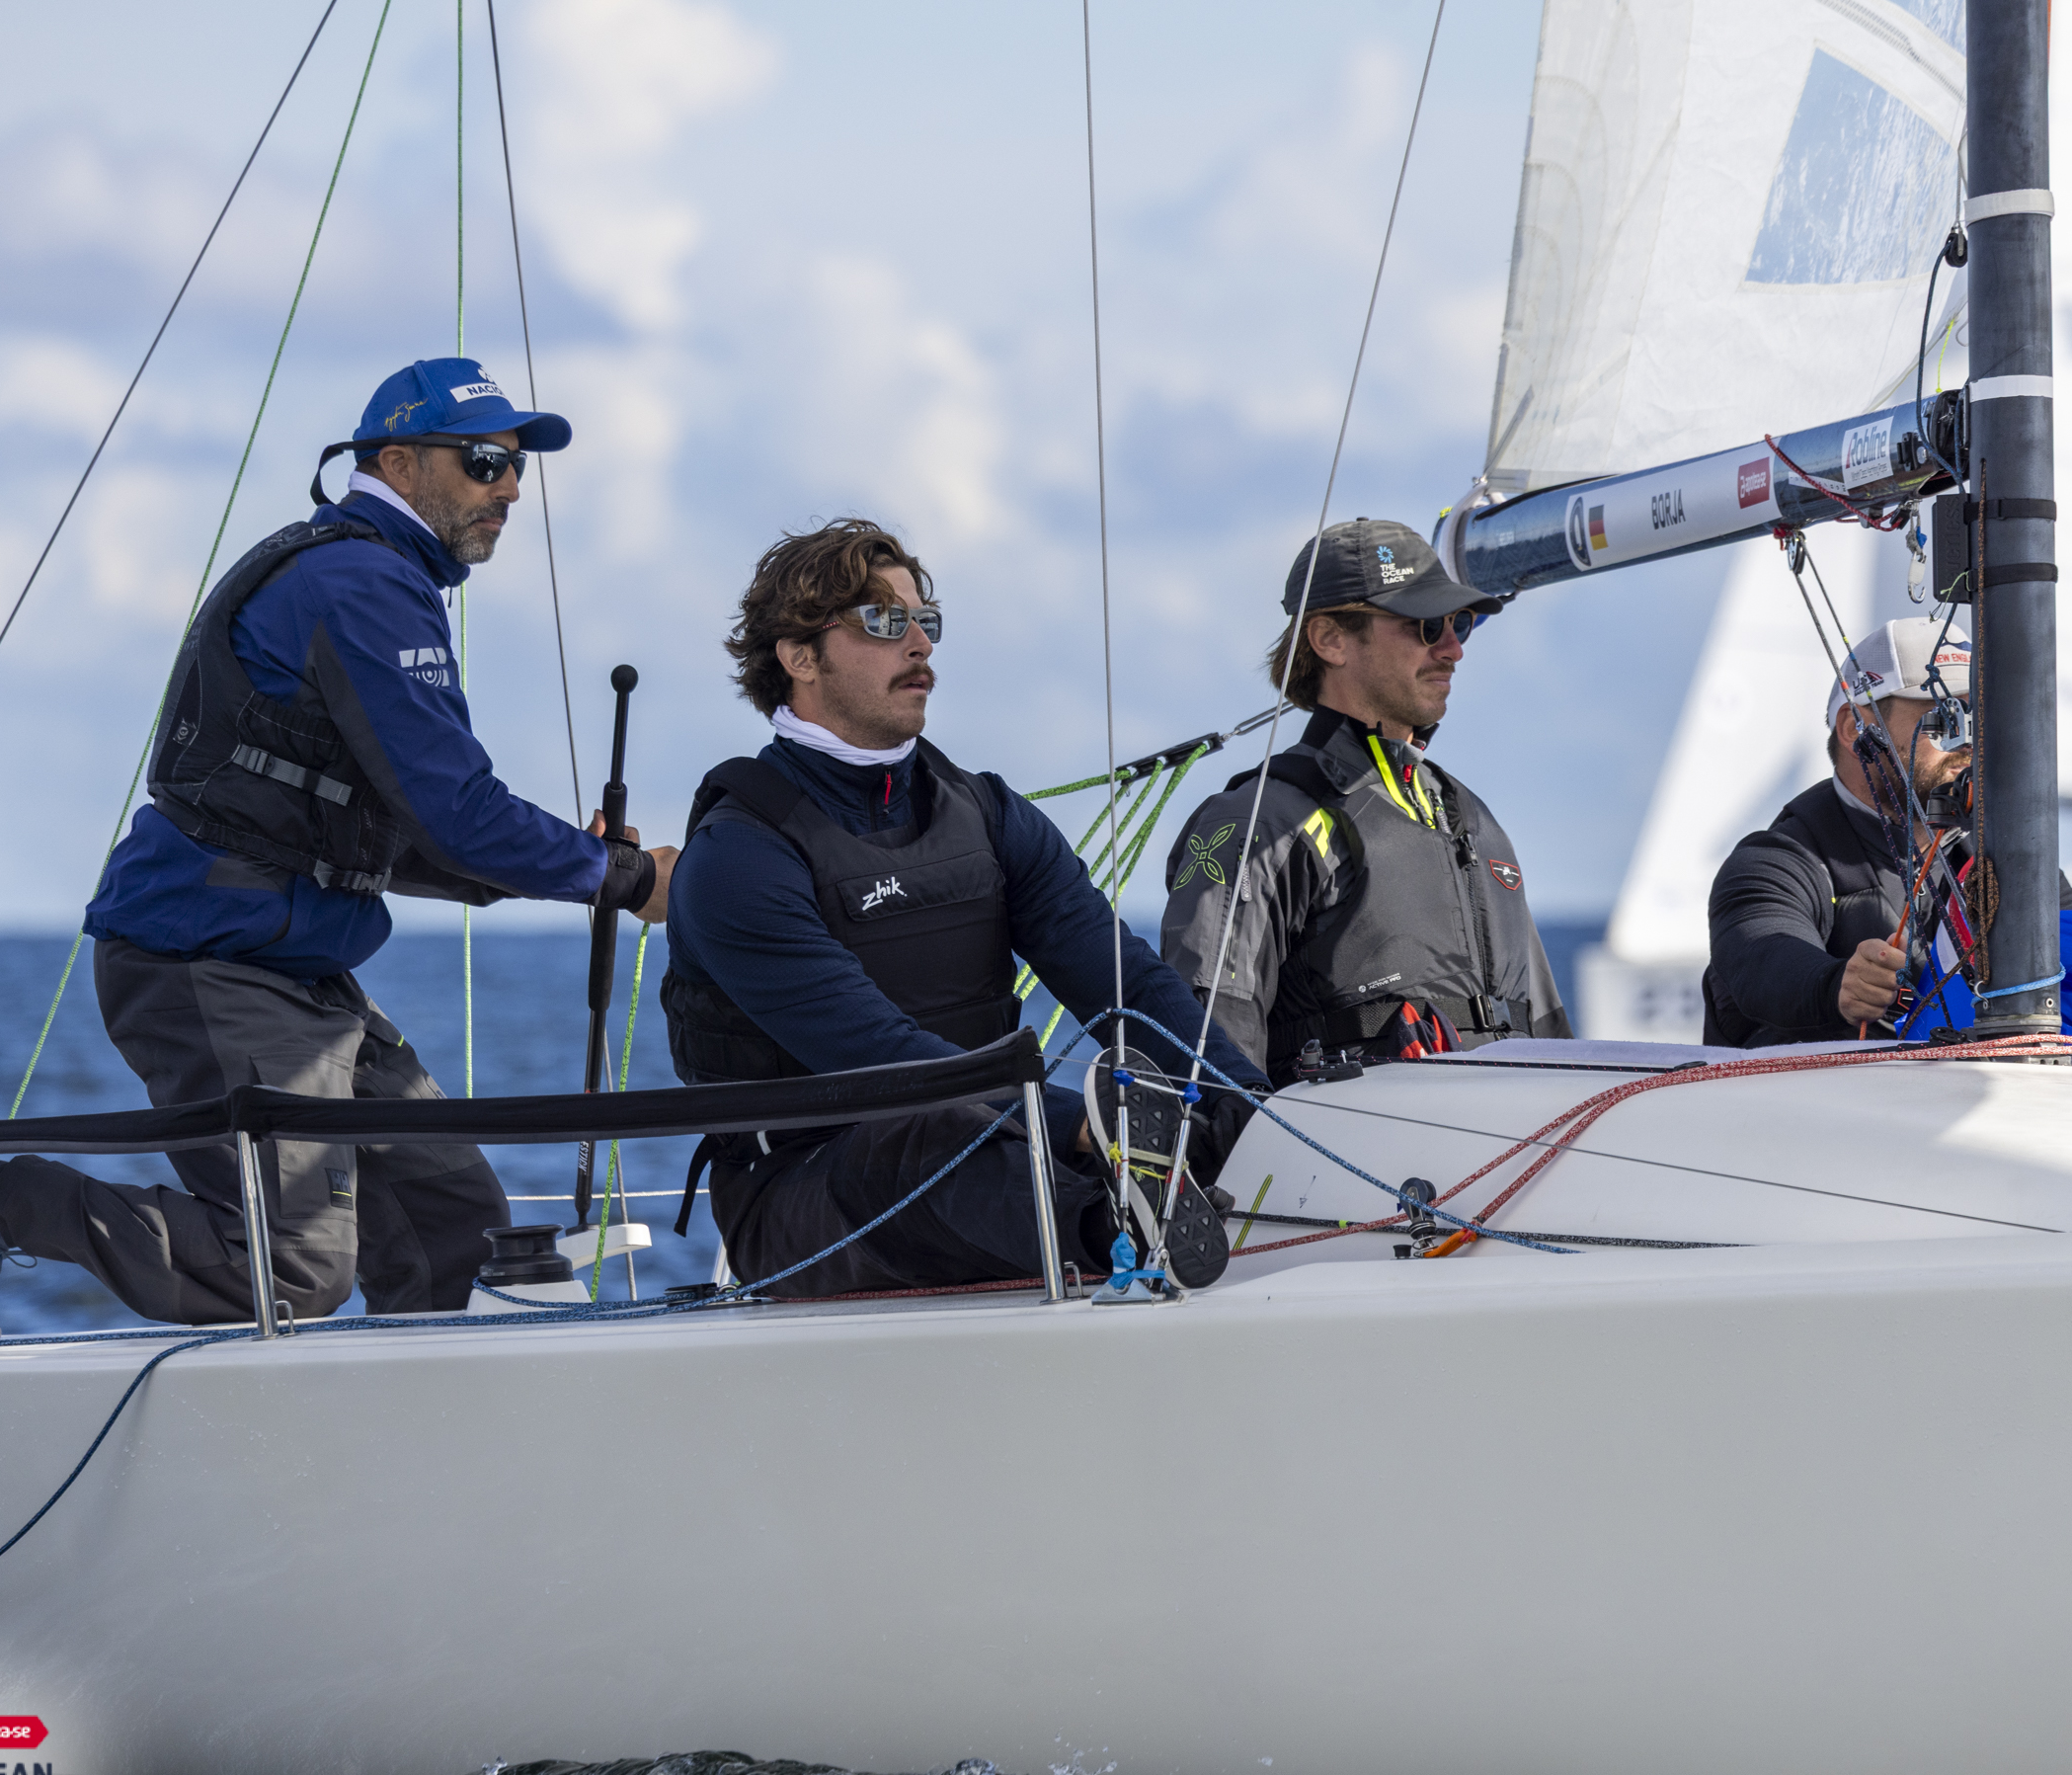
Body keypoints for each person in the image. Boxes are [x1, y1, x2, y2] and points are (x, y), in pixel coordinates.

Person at [0, 359, 675, 1342]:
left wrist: (582, 861)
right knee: (288, 1272)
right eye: (485, 462)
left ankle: (420, 1452)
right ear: (398, 463)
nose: (511, 490)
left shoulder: (368, 577)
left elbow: (392, 833)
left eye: (518, 467)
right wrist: (630, 876)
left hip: (295, 966)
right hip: (208, 958)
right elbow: (457, 814)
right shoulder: (361, 585)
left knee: (454, 1233)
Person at [660, 519, 1269, 1298]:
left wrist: (1249, 1105)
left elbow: (1129, 987)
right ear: (798, 656)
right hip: (807, 1199)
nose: (919, 643)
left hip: (1007, 1142)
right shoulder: (736, 858)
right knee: (931, 1131)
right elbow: (879, 1057)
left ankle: (1182, 1204)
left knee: (1202, 1096)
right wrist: (1082, 1124)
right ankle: (1121, 1231)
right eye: (883, 621)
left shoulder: (986, 814)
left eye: (925, 620)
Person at [1156, 519, 1570, 1082]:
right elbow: (1209, 1065)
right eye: (1426, 626)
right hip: (1353, 1163)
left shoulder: (1472, 818)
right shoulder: (1261, 823)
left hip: (1511, 1158)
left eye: (1461, 625)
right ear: (1329, 640)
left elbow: (1552, 1039)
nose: (1453, 650)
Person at [1703, 615, 2071, 1047]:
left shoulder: (2007, 854)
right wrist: (1836, 984)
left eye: (1975, 718)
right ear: (1853, 728)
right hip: (1815, 1106)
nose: (1967, 742)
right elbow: (1760, 950)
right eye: (1942, 718)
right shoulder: (1776, 860)